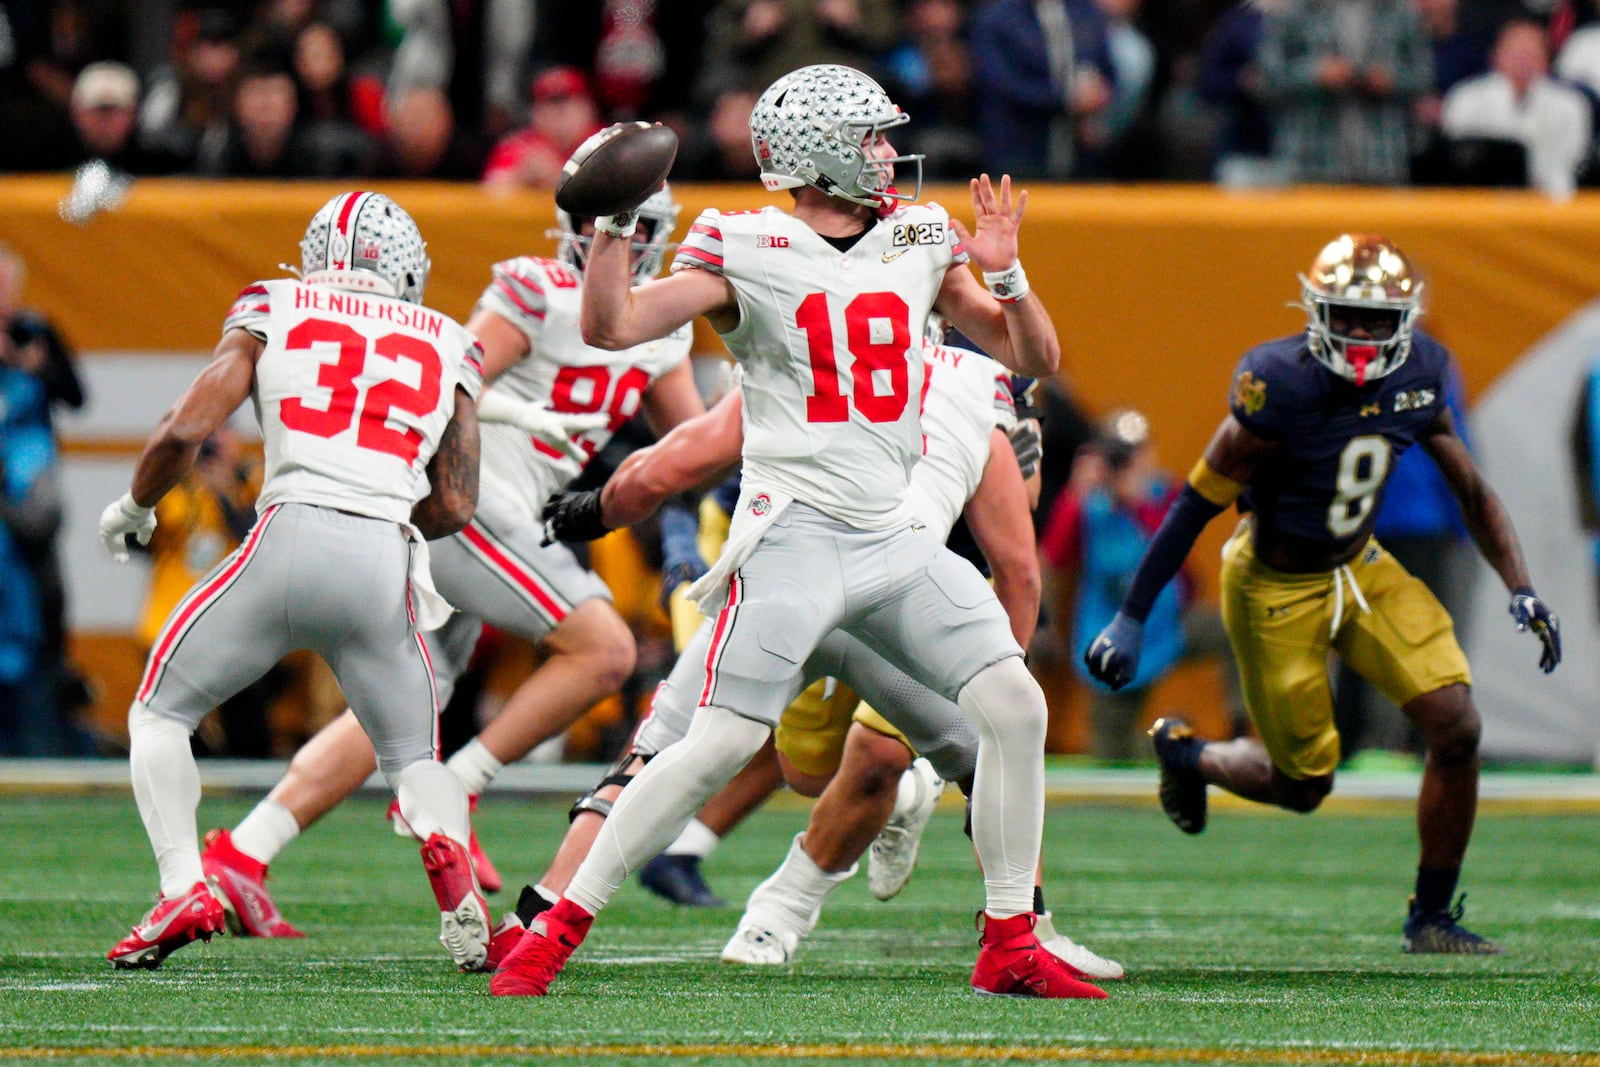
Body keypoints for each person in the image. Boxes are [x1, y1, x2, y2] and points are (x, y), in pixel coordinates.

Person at [492, 62, 1099, 1000]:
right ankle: (554, 934)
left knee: (1018, 709)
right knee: (721, 740)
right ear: (819, 155)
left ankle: (1012, 940)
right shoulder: (745, 243)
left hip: (891, 536)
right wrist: (614, 225)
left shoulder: (919, 237)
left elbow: (1036, 357)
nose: (888, 154)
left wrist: (1007, 268)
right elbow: (615, 327)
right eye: (868, 139)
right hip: (793, 538)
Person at [516, 336, 1122, 980]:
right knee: (988, 739)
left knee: (675, 749)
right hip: (887, 586)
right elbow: (1019, 560)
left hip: (791, 575)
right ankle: (1016, 931)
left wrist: (597, 507)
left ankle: (544, 921)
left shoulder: (814, 343)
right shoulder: (972, 382)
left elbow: (677, 463)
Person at [197, 187, 704, 943]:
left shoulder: (662, 327)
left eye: (642, 230)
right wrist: (529, 417)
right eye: (625, 228)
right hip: (468, 500)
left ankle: (245, 851)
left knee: (406, 696)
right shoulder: (535, 291)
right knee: (607, 650)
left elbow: (693, 445)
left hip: (512, 516)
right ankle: (457, 789)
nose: (635, 245)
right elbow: (448, 384)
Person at [1083, 234, 1562, 954]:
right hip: (1277, 584)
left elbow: (1471, 490)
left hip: (1363, 566)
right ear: (1315, 312)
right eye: (1348, 316)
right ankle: (1194, 757)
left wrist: (1521, 586)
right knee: (1306, 784)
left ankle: (1430, 915)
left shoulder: (1424, 371)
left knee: (1458, 726)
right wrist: (1131, 615)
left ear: (1407, 320)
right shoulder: (1280, 383)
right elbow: (1193, 502)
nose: (1364, 336)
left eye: (1378, 320)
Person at [101, 192, 492, 971]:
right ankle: (463, 901)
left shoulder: (274, 303)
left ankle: (184, 883)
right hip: (384, 557)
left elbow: (186, 427)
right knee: (416, 758)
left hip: (288, 535)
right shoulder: (452, 341)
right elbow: (454, 502)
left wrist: (133, 505)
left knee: (159, 711)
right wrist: (378, 504)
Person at [1042, 409, 1244, 760]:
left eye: (1133, 454)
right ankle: (1172, 742)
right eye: (1118, 456)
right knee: (1110, 754)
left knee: (1232, 629)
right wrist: (1075, 495)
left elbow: (1178, 557)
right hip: (1112, 635)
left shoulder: (1166, 494)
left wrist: (1137, 504)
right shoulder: (1088, 503)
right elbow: (1055, 556)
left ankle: (1242, 728)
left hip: (1167, 624)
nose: (1126, 464)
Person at [1442, 19, 1592, 199]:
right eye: (1515, 53)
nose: (1523, 62)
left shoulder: (1571, 105)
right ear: (1496, 56)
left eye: (1531, 54)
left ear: (1546, 60)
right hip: (1479, 203)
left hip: (1551, 204)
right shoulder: (1464, 99)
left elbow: (1574, 162)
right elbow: (1456, 158)